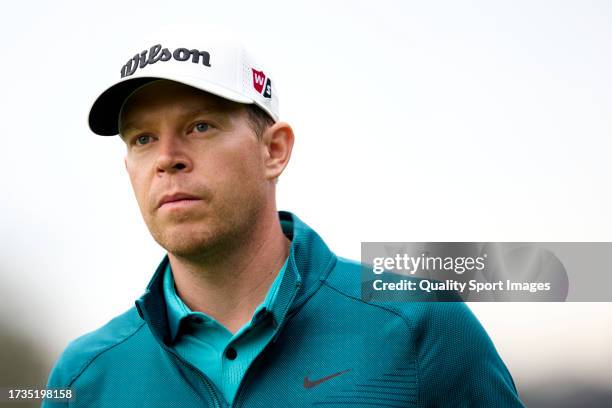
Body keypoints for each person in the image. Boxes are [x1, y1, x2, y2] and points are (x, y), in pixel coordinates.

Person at [43, 30, 524, 407]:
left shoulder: (422, 326)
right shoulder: (83, 376)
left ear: (274, 150)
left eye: (200, 126)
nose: (167, 158)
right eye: (142, 139)